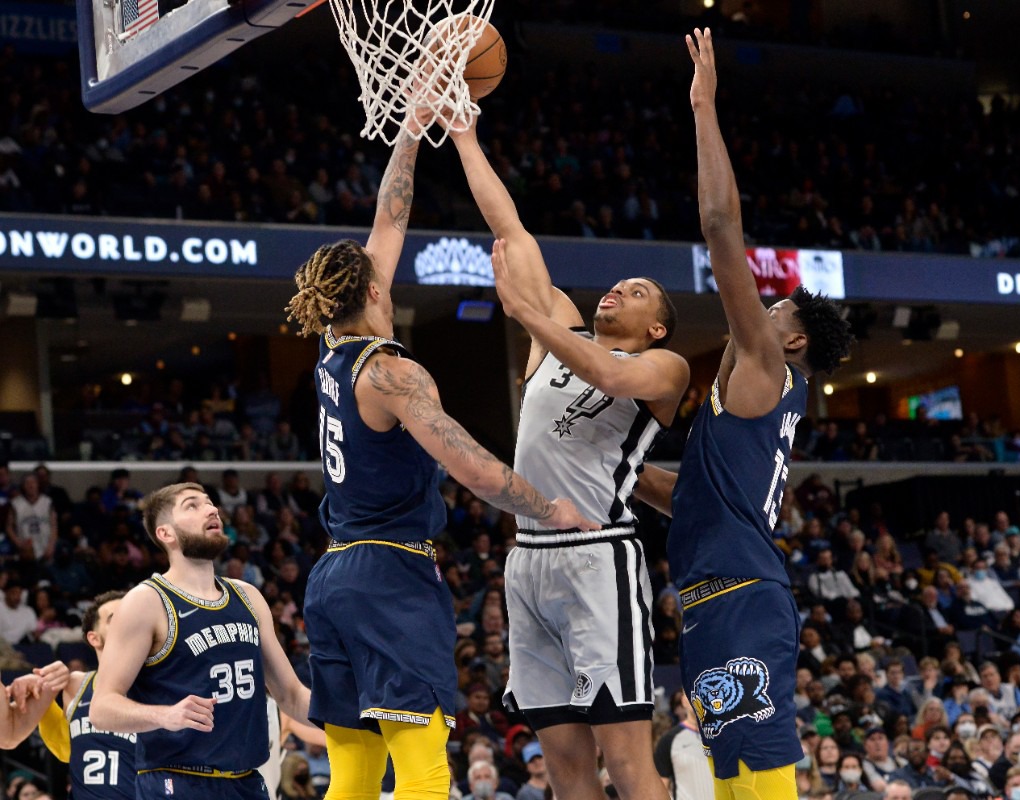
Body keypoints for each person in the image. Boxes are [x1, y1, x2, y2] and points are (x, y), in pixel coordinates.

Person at [286, 106, 595, 800]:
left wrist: (411, 127)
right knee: (423, 762)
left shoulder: (331, 350)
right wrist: (548, 509)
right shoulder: (394, 373)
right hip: (389, 576)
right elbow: (472, 468)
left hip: (332, 579)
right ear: (373, 291)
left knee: (355, 775)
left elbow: (389, 221)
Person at [453, 64, 686, 800]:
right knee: (563, 765)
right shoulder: (557, 330)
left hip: (599, 557)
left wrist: (528, 315)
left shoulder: (664, 368)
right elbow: (509, 229)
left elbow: (611, 378)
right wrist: (462, 130)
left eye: (638, 292)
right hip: (528, 561)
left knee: (626, 759)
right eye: (615, 283)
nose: (617, 288)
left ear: (654, 326)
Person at [632, 28, 853, 800]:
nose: (756, 311)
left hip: (738, 598)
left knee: (758, 784)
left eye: (773, 308)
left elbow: (722, 228)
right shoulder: (745, 405)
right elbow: (689, 493)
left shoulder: (764, 366)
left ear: (787, 338)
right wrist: (618, 471)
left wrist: (703, 107)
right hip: (717, 598)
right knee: (730, 781)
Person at [90, 483, 318, 800]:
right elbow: (101, 708)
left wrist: (359, 717)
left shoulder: (248, 596)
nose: (212, 510)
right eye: (192, 506)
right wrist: (163, 715)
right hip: (177, 781)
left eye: (210, 503)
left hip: (247, 782)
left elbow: (292, 695)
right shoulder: (146, 602)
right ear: (165, 534)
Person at [36, 591, 137, 799]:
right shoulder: (76, 684)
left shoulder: (160, 685)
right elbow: (66, 750)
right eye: (115, 618)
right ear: (94, 638)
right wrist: (43, 698)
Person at [654, 689, 715, 800]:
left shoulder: (722, 737)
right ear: (683, 701)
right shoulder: (669, 740)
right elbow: (662, 784)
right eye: (692, 694)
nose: (698, 699)